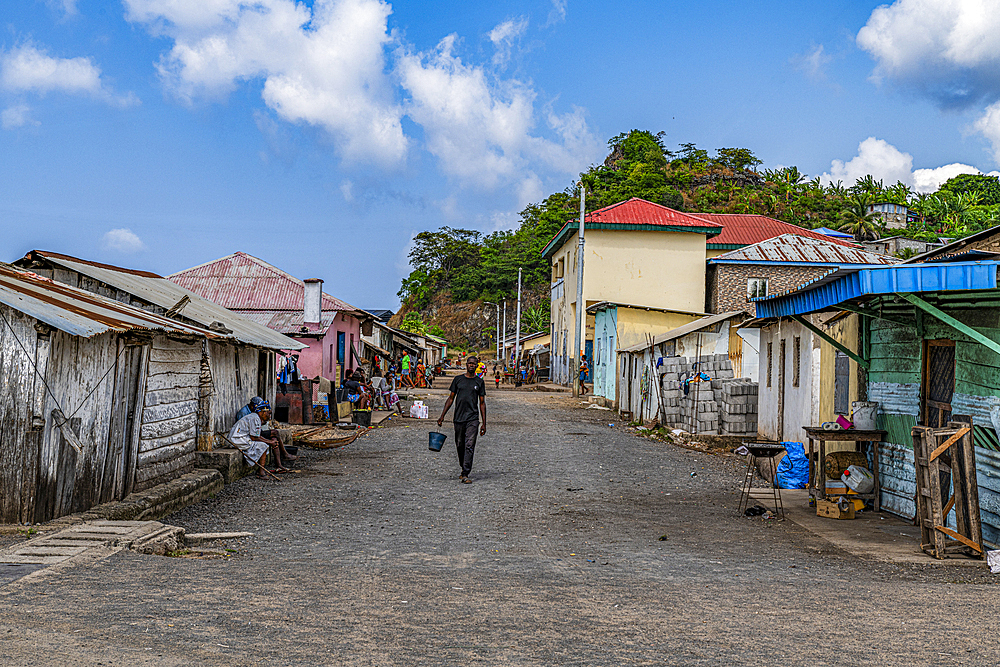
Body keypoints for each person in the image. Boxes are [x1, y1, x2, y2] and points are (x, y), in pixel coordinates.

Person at [437, 356, 487, 484]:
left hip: (473, 418)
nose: (471, 365)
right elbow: (451, 398)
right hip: (458, 418)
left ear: (477, 366)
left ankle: (465, 473)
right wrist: (442, 415)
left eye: (473, 364)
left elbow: (482, 403)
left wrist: (484, 423)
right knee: (460, 444)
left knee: (469, 445)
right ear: (466, 365)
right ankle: (462, 466)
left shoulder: (479, 382)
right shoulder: (458, 380)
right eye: (469, 363)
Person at [228, 401, 287, 477]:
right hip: (237, 440)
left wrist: (270, 442)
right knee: (263, 446)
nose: (269, 416)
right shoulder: (255, 418)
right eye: (268, 413)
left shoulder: (255, 417)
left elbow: (256, 435)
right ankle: (261, 472)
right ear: (262, 412)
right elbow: (254, 437)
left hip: (240, 439)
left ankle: (262, 470)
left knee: (264, 444)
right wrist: (270, 442)